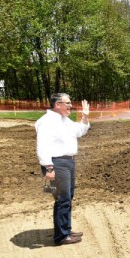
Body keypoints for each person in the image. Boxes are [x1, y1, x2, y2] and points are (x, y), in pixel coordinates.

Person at [35, 93, 90, 246]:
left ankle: (66, 230)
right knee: (62, 199)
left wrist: (84, 117)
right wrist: (49, 167)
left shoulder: (64, 121)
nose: (70, 106)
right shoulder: (46, 122)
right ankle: (61, 236)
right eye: (68, 103)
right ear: (57, 104)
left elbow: (80, 131)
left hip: (68, 163)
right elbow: (43, 146)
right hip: (57, 164)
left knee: (67, 197)